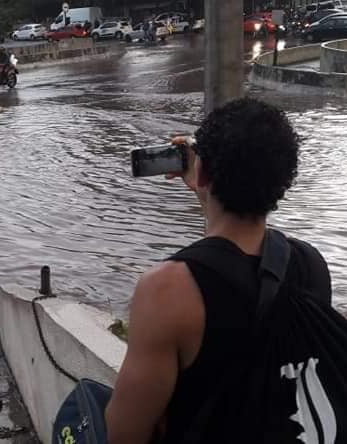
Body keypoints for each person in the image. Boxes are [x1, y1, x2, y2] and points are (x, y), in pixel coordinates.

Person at [104, 98, 331, 443]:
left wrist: (205, 182)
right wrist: (204, 187)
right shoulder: (310, 263)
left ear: (205, 172)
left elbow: (124, 433)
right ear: (285, 179)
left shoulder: (167, 289)